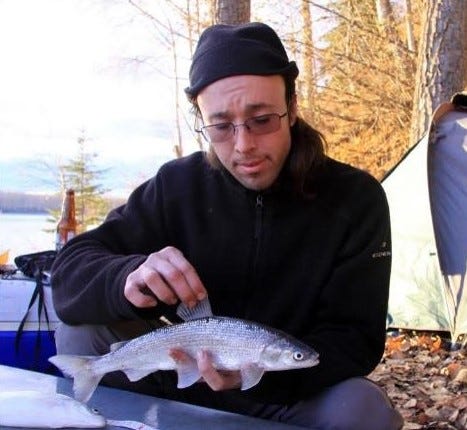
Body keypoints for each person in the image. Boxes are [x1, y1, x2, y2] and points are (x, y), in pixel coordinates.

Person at [51, 22, 403, 430]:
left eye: (262, 119)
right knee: (82, 331)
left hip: (289, 394)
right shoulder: (175, 187)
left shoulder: (355, 198)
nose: (243, 145)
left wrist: (253, 374)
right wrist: (127, 279)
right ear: (201, 119)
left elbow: (356, 340)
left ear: (292, 106)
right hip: (180, 380)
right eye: (221, 125)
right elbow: (69, 273)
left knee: (365, 410)